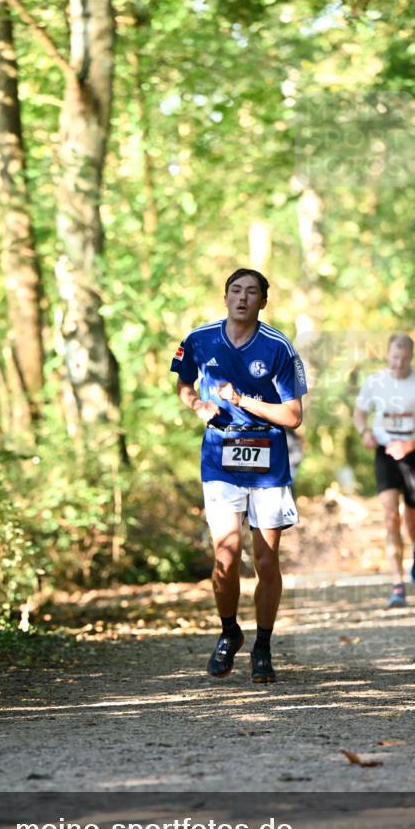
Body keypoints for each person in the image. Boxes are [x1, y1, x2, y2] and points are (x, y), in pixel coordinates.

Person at [171, 268, 307, 683]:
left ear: (263, 302)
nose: (242, 298)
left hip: (268, 458)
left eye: (251, 292)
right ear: (225, 296)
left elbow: (293, 416)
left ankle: (263, 645)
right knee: (226, 555)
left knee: (266, 560)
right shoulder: (200, 338)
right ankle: (230, 632)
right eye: (235, 290)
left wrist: (244, 401)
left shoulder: (279, 347)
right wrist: (198, 407)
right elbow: (183, 382)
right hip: (220, 456)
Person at [353, 334, 415, 608]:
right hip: (385, 453)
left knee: (413, 522)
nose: (398, 363)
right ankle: (397, 584)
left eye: (404, 359)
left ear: (411, 358)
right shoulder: (375, 382)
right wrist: (364, 432)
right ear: (387, 355)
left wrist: (412, 444)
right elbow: (359, 413)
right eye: (394, 357)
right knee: (390, 516)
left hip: (414, 453)